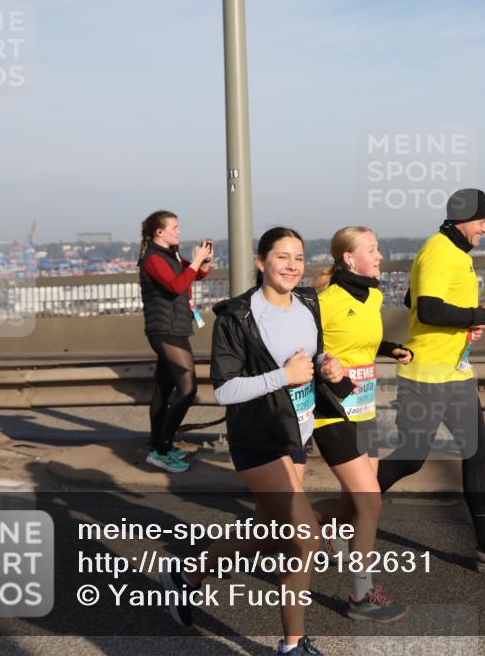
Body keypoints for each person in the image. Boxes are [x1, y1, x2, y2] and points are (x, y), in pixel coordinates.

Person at [161, 227, 353, 656]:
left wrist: (328, 365)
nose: (292, 266)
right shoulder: (238, 316)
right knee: (304, 539)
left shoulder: (307, 301)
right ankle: (292, 645)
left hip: (295, 432)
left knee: (270, 532)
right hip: (257, 438)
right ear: (261, 262)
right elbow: (224, 390)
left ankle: (187, 575)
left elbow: (312, 354)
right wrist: (283, 377)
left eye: (299, 258)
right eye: (282, 257)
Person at [375, 188, 485, 572]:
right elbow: (426, 309)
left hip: (454, 374)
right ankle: (347, 516)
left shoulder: (451, 252)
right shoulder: (440, 251)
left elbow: (411, 299)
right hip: (426, 376)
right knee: (410, 459)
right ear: (463, 220)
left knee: (476, 454)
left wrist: (465, 324)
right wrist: (480, 314)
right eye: (483, 221)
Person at [309, 226, 413, 623]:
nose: (380, 255)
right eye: (372, 249)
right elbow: (310, 349)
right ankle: (361, 595)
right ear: (348, 258)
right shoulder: (324, 301)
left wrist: (391, 349)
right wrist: (325, 365)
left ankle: (305, 525)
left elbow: (363, 342)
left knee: (354, 503)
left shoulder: (372, 294)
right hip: (332, 411)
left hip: (363, 408)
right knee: (370, 500)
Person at [138, 210, 212, 473]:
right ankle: (162, 449)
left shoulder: (170, 255)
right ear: (160, 232)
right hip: (165, 330)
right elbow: (175, 285)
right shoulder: (152, 259)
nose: (179, 231)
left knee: (163, 389)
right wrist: (195, 261)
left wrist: (201, 264)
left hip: (175, 327)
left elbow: (189, 279)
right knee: (187, 388)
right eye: (175, 227)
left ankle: (157, 446)